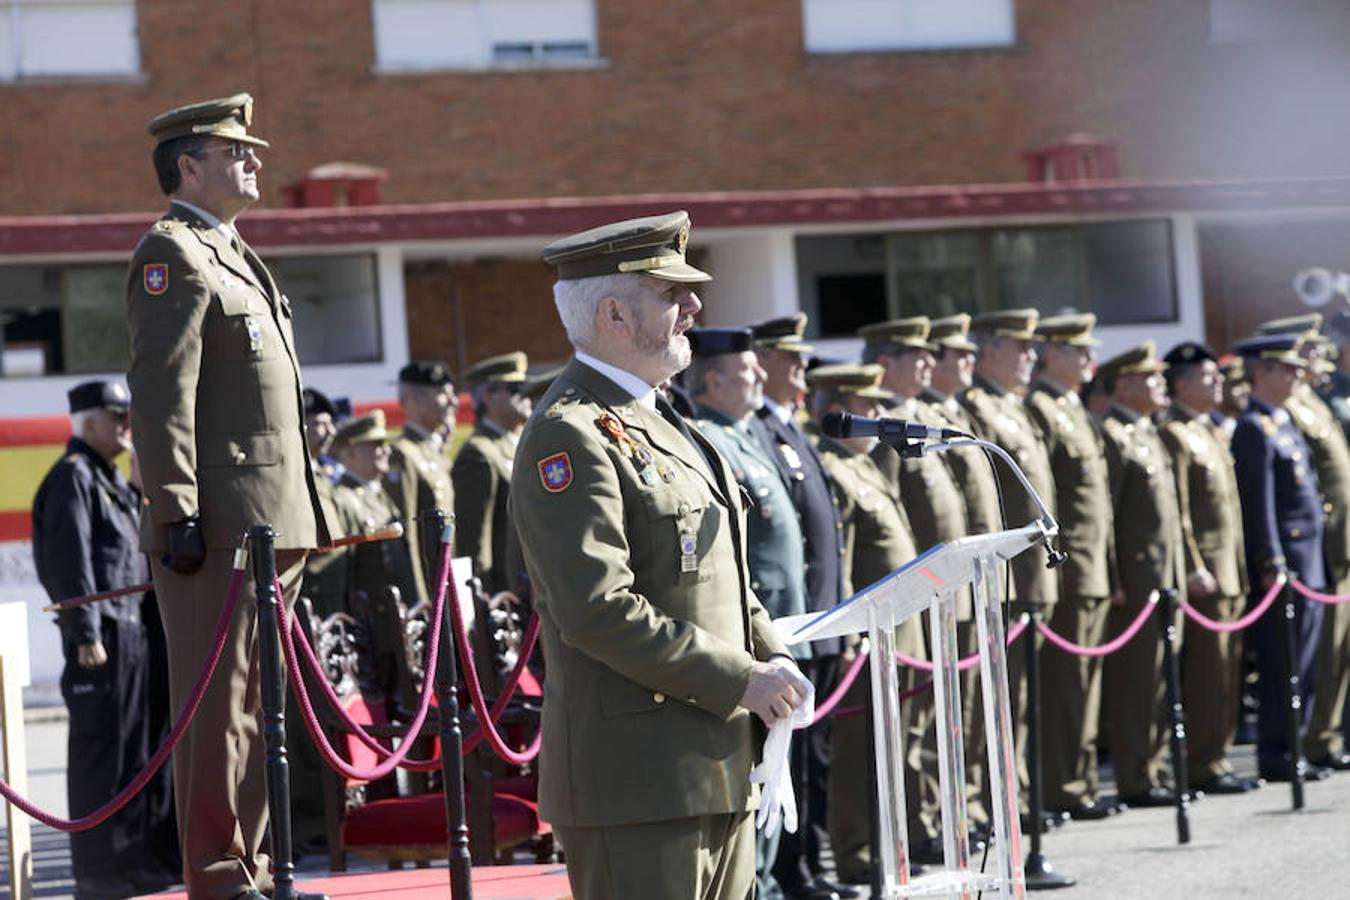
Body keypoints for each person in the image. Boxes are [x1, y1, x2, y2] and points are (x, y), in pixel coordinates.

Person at [508, 211, 809, 900]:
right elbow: (596, 609)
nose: (694, 305)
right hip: (636, 782)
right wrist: (743, 679)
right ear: (614, 313)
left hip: (715, 763)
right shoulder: (572, 434)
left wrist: (773, 654)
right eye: (671, 292)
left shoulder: (665, 419)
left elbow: (720, 571)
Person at [125, 93, 331, 900]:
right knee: (220, 712)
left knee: (260, 707)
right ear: (187, 164)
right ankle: (218, 876)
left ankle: (256, 867)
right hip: (216, 527)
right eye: (236, 149)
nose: (254, 160)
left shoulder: (231, 250)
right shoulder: (171, 253)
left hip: (271, 519)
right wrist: (173, 508)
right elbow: (159, 394)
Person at [684, 326, 821, 900]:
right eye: (747, 370)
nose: (761, 377)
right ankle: (759, 887)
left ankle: (768, 881)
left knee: (780, 773)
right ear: (713, 380)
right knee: (758, 778)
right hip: (748, 642)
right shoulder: (709, 438)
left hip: (782, 629)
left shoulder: (746, 435)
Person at [32, 381, 179, 900]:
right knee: (102, 757)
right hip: (102, 634)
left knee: (135, 756)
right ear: (87, 423)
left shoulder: (108, 479)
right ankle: (99, 873)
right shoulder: (74, 478)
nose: (125, 426)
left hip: (132, 630)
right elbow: (69, 564)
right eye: (115, 417)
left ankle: (132, 862)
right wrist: (84, 632)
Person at [805, 363, 926, 886]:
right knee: (859, 753)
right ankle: (857, 854)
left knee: (894, 744)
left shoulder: (869, 465)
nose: (879, 417)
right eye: (868, 408)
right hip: (868, 635)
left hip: (901, 630)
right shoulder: (832, 467)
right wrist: (852, 632)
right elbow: (844, 559)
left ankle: (887, 846)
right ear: (841, 412)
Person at [749, 314, 853, 900]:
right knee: (791, 756)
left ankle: (809, 861)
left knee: (815, 756)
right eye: (788, 359)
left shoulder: (791, 428)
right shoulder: (759, 430)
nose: (801, 369)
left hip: (821, 618)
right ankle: (792, 870)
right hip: (795, 622)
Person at [858, 316, 968, 858]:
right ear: (885, 363)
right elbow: (892, 514)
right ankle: (917, 825)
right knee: (911, 717)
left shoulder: (924, 416)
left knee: (932, 714)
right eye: (914, 356)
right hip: (913, 592)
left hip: (941, 589)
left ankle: (937, 815)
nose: (929, 363)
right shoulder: (884, 426)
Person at [961, 309, 1058, 818]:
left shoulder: (1014, 408)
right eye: (1018, 347)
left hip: (1030, 571)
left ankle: (1015, 791)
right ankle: (989, 800)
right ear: (991, 351)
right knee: (991, 697)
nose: (1030, 357)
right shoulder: (976, 407)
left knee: (1019, 697)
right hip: (1006, 572)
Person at [1026, 313, 1121, 820]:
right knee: (1066, 687)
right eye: (1080, 350)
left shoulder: (1071, 408)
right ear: (1054, 352)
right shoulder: (1041, 408)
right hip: (1067, 569)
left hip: (1091, 566)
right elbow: (1050, 498)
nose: (1090, 360)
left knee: (1086, 685)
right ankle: (1064, 784)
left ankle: (1081, 780)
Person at [1231, 334, 1331, 782]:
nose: (1296, 375)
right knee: (1282, 666)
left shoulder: (1281, 421)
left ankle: (1297, 746)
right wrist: (1271, 561)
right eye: (1285, 369)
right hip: (1286, 563)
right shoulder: (1253, 427)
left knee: (1304, 665)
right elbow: (1261, 503)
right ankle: (1278, 753)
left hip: (1308, 561)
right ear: (1260, 374)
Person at [1255, 316, 1350, 772]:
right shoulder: (1272, 417)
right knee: (1301, 657)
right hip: (1305, 550)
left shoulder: (1305, 406)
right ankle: (1305, 742)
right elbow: (1266, 500)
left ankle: (1318, 737)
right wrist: (1273, 554)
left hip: (1326, 546)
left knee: (1325, 655)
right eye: (1299, 356)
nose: (1310, 362)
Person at [1159, 341, 1254, 794]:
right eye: (1207, 377)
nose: (1218, 383)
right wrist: (1194, 566)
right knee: (1206, 674)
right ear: (1181, 384)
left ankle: (1218, 756)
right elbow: (1178, 510)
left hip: (1229, 570)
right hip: (1207, 576)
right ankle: (1203, 763)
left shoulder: (1208, 429)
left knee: (1227, 670)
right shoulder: (1174, 432)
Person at [1096, 341, 1187, 807]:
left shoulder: (1149, 432)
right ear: (1126, 384)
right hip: (1136, 582)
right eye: (1150, 378)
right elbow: (1106, 515)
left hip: (1164, 575)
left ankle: (1155, 766)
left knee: (1159, 678)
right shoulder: (1112, 435)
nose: (1160, 385)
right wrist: (1113, 578)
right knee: (1136, 681)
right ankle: (1135, 776)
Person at [922, 313, 1001, 835]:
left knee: (975, 707)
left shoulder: (960, 413)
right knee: (935, 714)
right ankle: (941, 816)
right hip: (936, 589)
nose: (965, 363)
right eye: (957, 354)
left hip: (973, 581)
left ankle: (973, 804)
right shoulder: (916, 422)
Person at [332, 410, 420, 707]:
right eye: (375, 444)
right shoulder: (344, 498)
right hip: (373, 633)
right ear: (351, 451)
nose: (385, 449)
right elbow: (345, 571)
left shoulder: (378, 494)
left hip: (396, 623)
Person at [452, 351, 532, 595]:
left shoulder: (516, 443)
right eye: (515, 388)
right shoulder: (478, 453)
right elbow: (474, 540)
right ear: (487, 396)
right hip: (504, 590)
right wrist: (482, 598)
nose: (526, 396)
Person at [387, 360, 457, 606]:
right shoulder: (402, 454)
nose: (453, 402)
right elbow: (408, 534)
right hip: (431, 590)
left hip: (449, 583)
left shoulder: (435, 453)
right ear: (412, 399)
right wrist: (420, 599)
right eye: (442, 394)